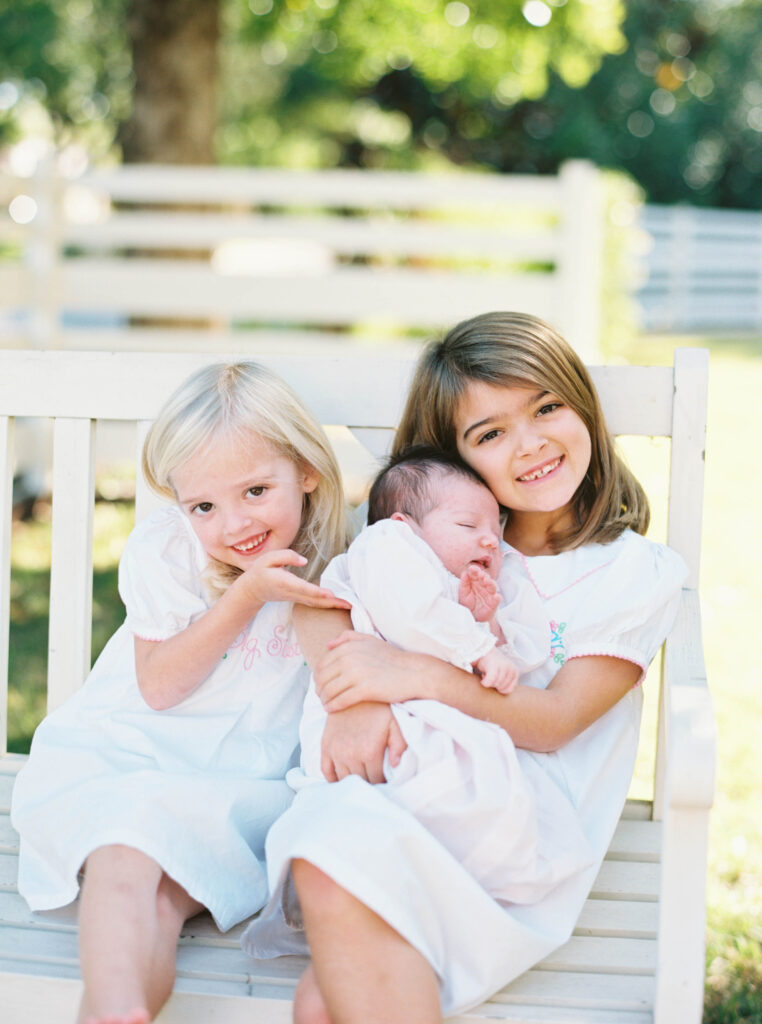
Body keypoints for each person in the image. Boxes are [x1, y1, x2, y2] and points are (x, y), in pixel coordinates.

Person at [240, 312, 689, 1024]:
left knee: (328, 942)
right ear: (453, 460)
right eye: (490, 433)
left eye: (547, 407)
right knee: (322, 991)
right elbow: (324, 602)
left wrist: (409, 676)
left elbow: (554, 722)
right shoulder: (441, 534)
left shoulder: (631, 572)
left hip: (513, 848)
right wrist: (357, 699)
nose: (532, 442)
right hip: (402, 798)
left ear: (584, 407)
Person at [10, 360, 351, 1024]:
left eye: (255, 490)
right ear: (179, 503)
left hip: (239, 786)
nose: (234, 525)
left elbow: (340, 680)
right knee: (124, 849)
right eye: (204, 506)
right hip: (132, 754)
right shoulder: (169, 551)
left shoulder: (339, 554)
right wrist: (247, 596)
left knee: (165, 892)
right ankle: (115, 1011)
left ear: (306, 470)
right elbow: (160, 687)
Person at [291, 446, 586, 906]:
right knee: (416, 802)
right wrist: (478, 647)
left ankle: (450, 872)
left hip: (422, 716)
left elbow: (500, 661)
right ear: (404, 527)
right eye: (469, 526)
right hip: (365, 726)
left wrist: (485, 620)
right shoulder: (385, 550)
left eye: (496, 530)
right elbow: (412, 616)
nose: (491, 541)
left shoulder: (452, 586)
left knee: (474, 789)